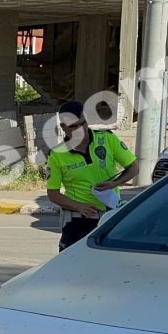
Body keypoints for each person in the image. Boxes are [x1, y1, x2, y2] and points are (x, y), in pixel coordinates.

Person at [46, 101, 139, 251]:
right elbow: (53, 194)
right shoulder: (57, 154)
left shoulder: (107, 138)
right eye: (73, 126)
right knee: (72, 266)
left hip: (110, 215)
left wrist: (114, 184)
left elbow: (133, 168)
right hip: (79, 220)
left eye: (82, 123)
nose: (79, 129)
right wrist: (79, 206)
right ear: (63, 128)